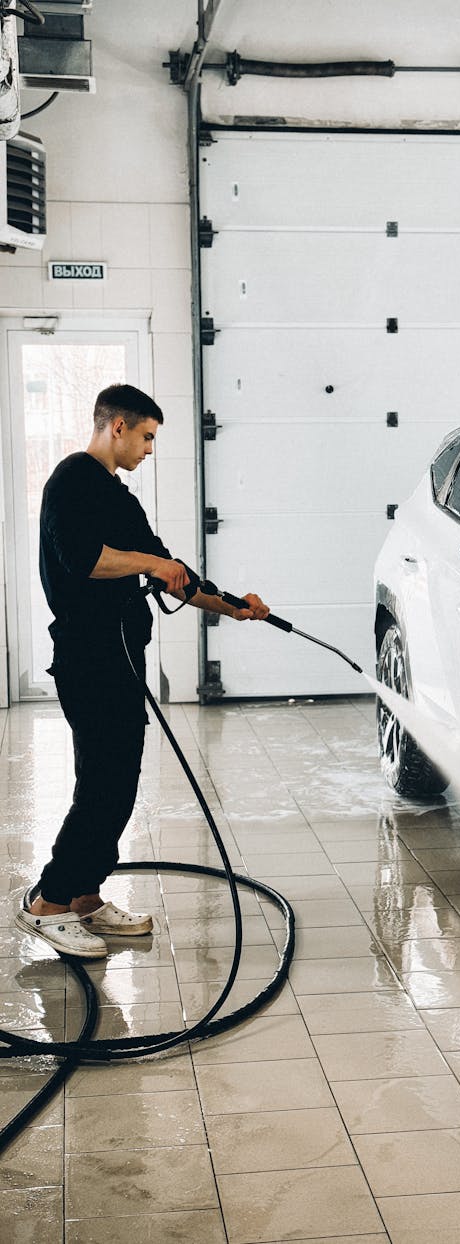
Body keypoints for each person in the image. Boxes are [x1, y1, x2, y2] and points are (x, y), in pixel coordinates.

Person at [15, 383, 269, 959]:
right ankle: (48, 904)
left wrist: (235, 606)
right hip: (88, 659)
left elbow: (169, 572)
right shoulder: (71, 480)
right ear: (118, 426)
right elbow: (85, 559)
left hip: (120, 659)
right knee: (104, 785)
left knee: (115, 782)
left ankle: (84, 896)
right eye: (148, 436)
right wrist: (156, 562)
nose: (150, 449)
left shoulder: (118, 498)